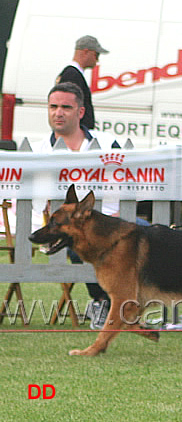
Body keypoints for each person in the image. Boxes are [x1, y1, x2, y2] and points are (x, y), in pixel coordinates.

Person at [35, 81, 120, 329]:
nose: (58, 113)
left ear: (80, 112)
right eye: (53, 107)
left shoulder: (107, 143)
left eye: (65, 107)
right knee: (78, 240)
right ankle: (101, 301)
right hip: (62, 228)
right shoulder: (38, 149)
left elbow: (126, 184)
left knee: (153, 234)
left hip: (112, 220)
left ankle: (149, 305)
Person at [56, 35, 109, 129]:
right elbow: (69, 109)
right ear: (86, 52)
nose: (97, 60)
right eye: (96, 55)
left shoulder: (74, 74)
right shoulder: (72, 75)